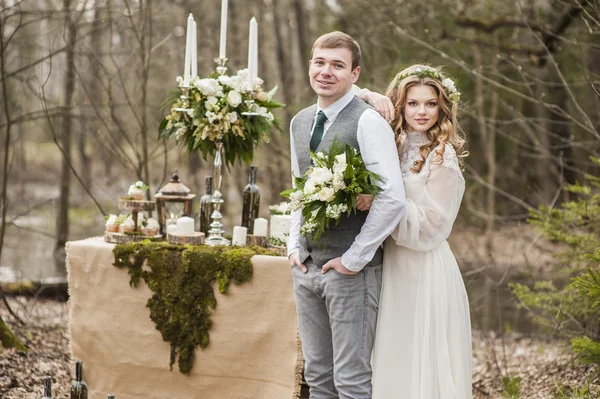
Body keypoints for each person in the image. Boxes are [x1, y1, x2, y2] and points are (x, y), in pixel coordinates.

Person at [287, 31, 406, 399]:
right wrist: (294, 245)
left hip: (350, 274)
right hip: (307, 268)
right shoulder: (300, 121)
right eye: (320, 62)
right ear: (310, 66)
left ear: (355, 74)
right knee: (317, 377)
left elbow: (392, 198)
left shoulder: (368, 121)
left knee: (351, 381)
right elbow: (299, 188)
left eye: (337, 65)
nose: (326, 71)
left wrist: (354, 260)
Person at [357, 65, 472, 399]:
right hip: (390, 262)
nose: (421, 112)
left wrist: (382, 203)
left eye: (430, 104)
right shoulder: (392, 144)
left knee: (419, 357)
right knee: (391, 351)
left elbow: (434, 225)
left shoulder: (441, 156)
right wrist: (368, 94)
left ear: (442, 108)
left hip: (424, 268)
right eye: (413, 103)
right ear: (400, 105)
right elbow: (347, 92)